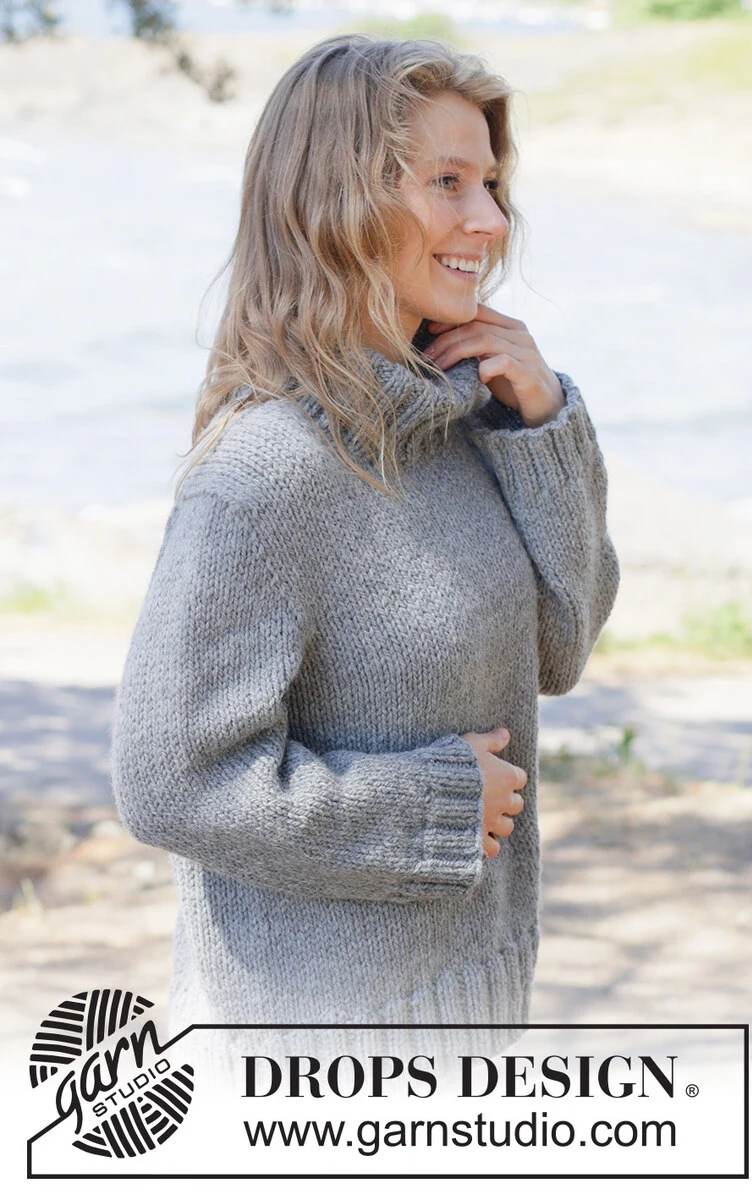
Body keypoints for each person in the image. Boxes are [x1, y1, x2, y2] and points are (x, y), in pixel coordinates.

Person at [110, 34, 620, 1079]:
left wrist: (544, 428)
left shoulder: (467, 428)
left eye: (490, 184)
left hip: (470, 1019)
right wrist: (429, 808)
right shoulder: (264, 474)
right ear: (338, 204)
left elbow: (560, 650)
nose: (489, 221)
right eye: (447, 183)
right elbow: (170, 780)